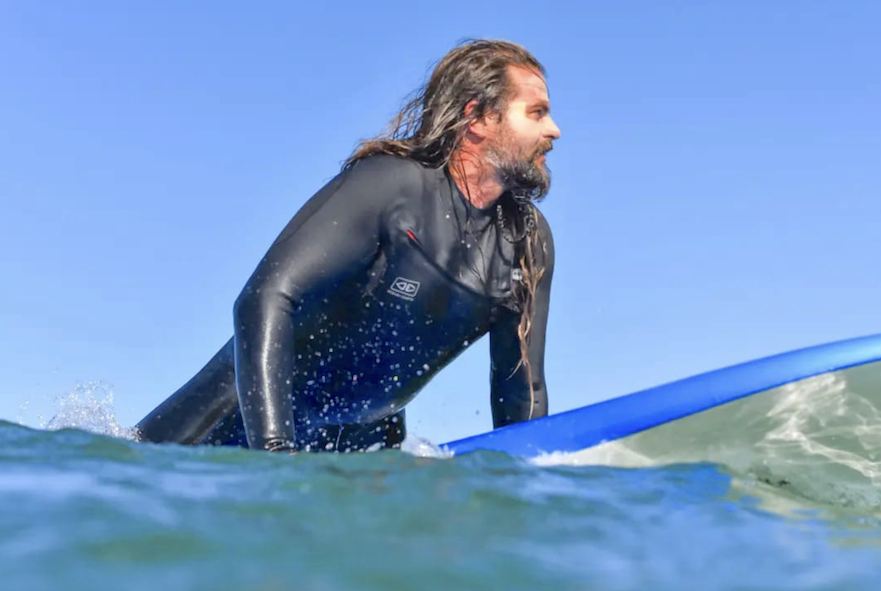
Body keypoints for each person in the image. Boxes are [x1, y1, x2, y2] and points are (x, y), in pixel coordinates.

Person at [135, 39, 561, 452]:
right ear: (479, 118)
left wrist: (523, 493)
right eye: (537, 113)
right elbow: (263, 299)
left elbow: (520, 389)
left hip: (350, 461)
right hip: (205, 444)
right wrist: (277, 455)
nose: (553, 130)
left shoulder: (526, 240)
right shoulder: (390, 186)